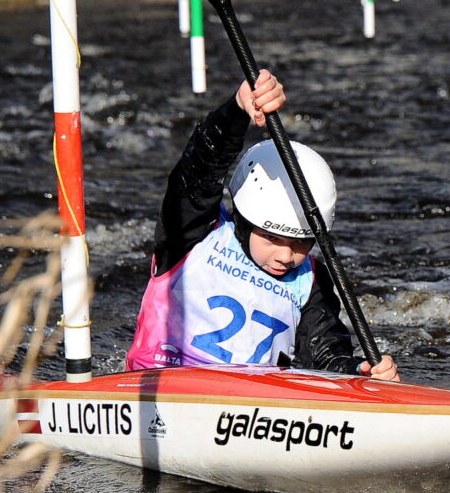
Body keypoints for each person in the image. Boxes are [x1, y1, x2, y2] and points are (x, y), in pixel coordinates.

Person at [126, 70, 399, 381]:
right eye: (271, 237)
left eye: (300, 242)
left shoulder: (310, 282)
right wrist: (236, 110)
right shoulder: (193, 234)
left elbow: (323, 358)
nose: (286, 255)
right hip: (158, 387)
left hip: (251, 411)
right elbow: (198, 171)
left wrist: (359, 373)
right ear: (244, 222)